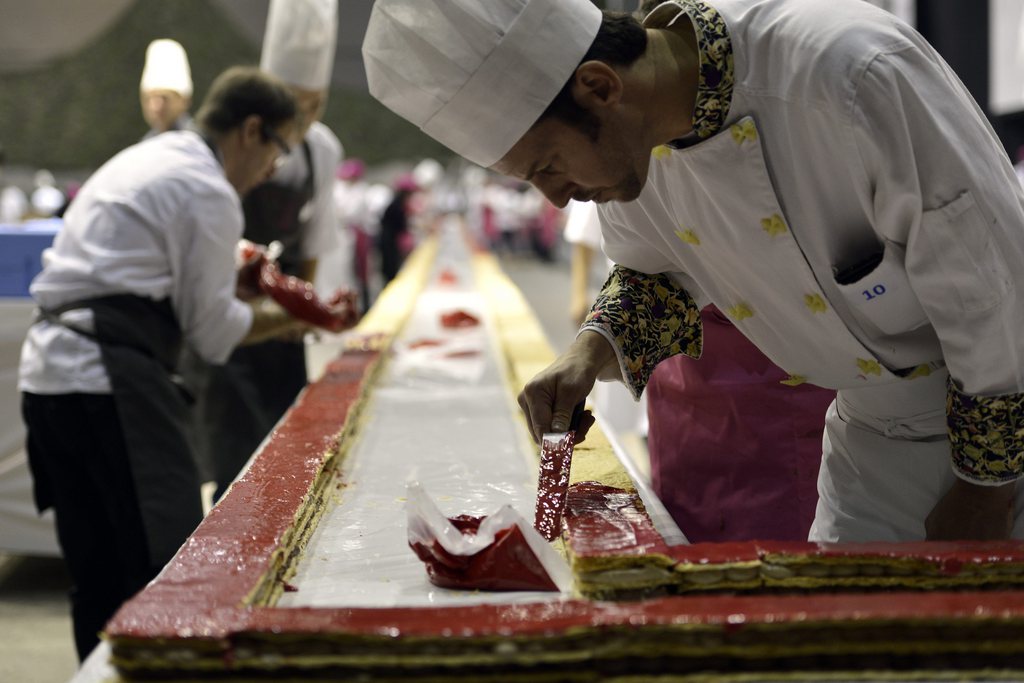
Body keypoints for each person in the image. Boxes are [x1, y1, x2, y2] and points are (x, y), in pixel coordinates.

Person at [364, 0, 1024, 543]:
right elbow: (657, 278)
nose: (557, 199)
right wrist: (589, 353)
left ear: (600, 87)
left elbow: (999, 292)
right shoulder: (634, 159)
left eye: (548, 167)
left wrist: (985, 491)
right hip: (873, 433)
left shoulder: (848, 75)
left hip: (1003, 434)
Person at [18, 65, 304, 661]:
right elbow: (213, 332)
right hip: (106, 384)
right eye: (280, 150)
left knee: (95, 573)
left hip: (46, 378)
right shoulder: (207, 189)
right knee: (162, 567)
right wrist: (294, 315)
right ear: (251, 131)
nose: (274, 169)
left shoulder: (148, 158)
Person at [198, 0, 343, 500]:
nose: (304, 117)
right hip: (229, 312)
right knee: (234, 457)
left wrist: (302, 308)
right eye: (294, 103)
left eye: (316, 105)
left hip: (280, 323)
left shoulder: (322, 151)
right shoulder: (227, 151)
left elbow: (316, 237)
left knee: (290, 454)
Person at [139, 39, 193, 138]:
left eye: (164, 98)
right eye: (149, 98)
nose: (155, 106)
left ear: (184, 100)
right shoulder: (148, 143)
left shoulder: (196, 141)